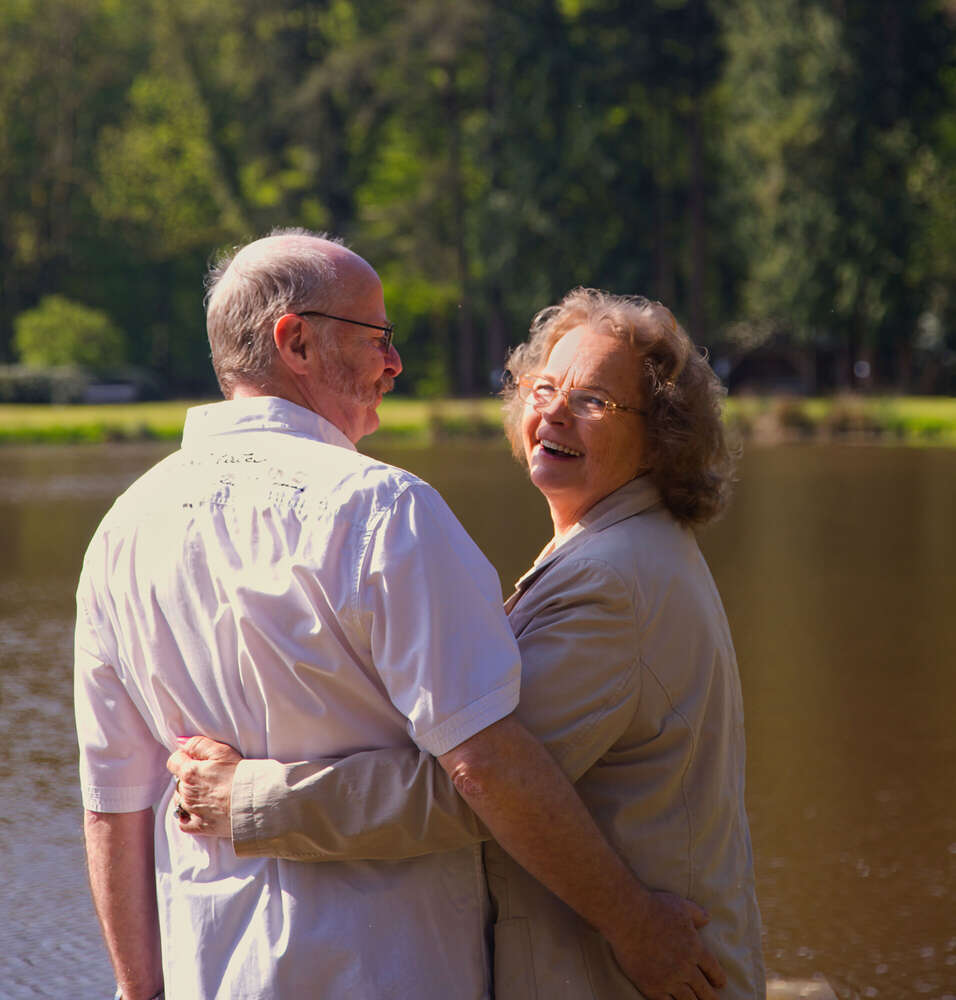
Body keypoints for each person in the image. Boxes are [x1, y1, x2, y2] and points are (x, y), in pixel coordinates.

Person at [75, 236, 724, 1000]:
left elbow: (113, 804)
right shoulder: (384, 510)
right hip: (388, 973)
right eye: (378, 339)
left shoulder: (121, 528)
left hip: (207, 973)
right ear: (298, 341)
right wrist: (634, 922)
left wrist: (140, 991)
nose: (395, 364)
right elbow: (482, 766)